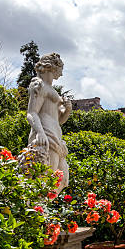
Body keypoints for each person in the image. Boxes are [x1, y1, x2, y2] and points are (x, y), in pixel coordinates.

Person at [22, 53, 71, 191]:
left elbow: (59, 120)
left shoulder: (52, 90)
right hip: (45, 135)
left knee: (62, 179)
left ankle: (42, 210)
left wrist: (67, 110)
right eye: (61, 68)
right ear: (52, 67)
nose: (61, 74)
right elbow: (31, 113)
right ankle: (39, 210)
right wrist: (40, 132)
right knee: (45, 180)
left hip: (55, 136)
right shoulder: (39, 85)